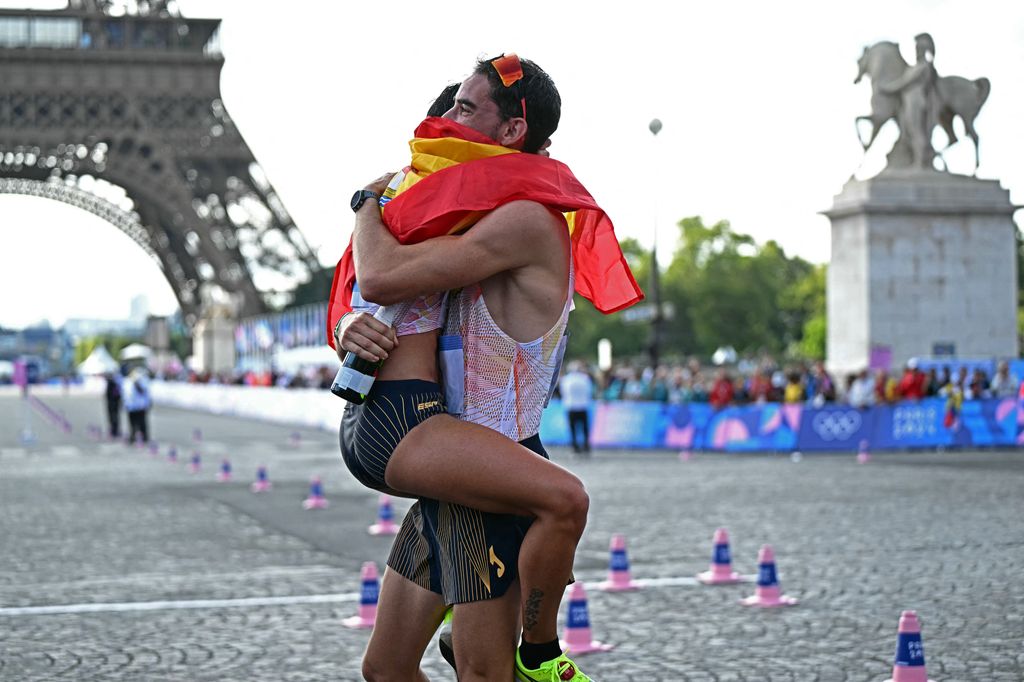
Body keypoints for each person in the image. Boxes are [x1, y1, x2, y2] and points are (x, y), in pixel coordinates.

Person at [332, 55, 641, 681]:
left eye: (464, 109)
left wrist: (366, 200)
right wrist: (345, 325)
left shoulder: (523, 219)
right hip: (442, 443)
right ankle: (536, 653)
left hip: (475, 460)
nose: (444, 121)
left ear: (512, 132)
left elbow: (383, 276)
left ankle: (539, 650)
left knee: (402, 672)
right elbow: (386, 298)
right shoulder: (461, 218)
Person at [559, 361, 595, 455]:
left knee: (573, 429)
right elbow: (589, 391)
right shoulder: (585, 378)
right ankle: (586, 446)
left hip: (571, 406)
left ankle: (575, 447)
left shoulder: (566, 379)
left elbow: (563, 392)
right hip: (583, 405)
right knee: (584, 428)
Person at [122, 367, 151, 444]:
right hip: (131, 406)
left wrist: (136, 383)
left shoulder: (142, 380)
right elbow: (125, 394)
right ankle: (133, 437)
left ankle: (144, 437)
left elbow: (143, 391)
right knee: (132, 423)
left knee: (142, 422)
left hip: (140, 406)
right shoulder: (127, 381)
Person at [103, 371, 122, 439]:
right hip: (115, 403)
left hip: (112, 403)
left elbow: (108, 394)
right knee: (115, 417)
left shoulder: (111, 383)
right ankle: (115, 430)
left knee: (113, 418)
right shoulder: (115, 383)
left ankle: (114, 431)